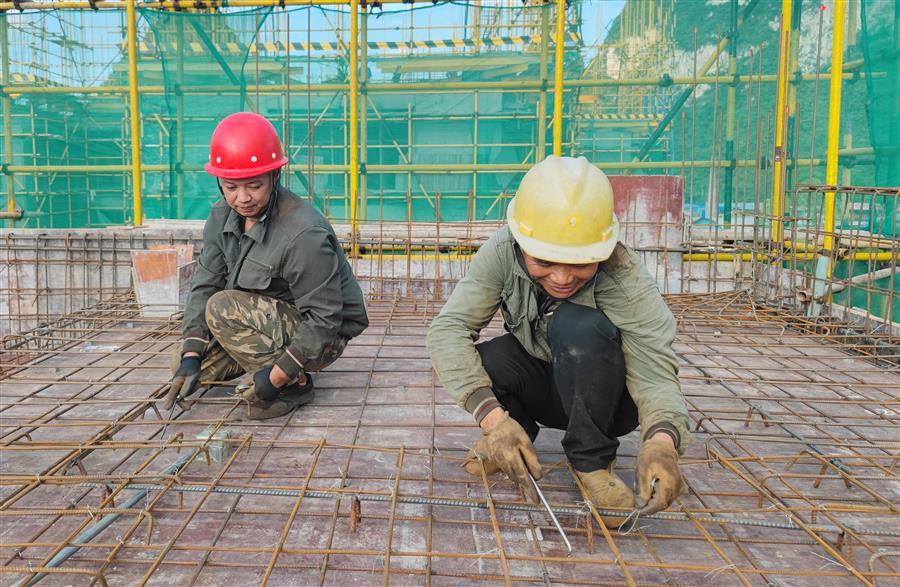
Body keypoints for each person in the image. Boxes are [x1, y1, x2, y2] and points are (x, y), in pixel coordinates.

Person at [427, 156, 688, 526]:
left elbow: (655, 371)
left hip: (607, 398)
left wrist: (663, 442)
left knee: (578, 325)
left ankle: (592, 463)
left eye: (580, 263)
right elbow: (449, 329)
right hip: (549, 384)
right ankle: (512, 437)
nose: (563, 277)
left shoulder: (624, 278)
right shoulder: (502, 252)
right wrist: (492, 419)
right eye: (546, 261)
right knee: (488, 360)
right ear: (521, 242)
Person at [163, 112, 369, 420]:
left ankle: (295, 384)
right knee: (189, 364)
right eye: (231, 187)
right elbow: (205, 283)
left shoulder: (302, 233)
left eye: (254, 186)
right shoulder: (221, 216)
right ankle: (274, 369)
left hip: (323, 335)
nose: (242, 198)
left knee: (223, 307)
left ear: (274, 177)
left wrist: (274, 379)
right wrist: (191, 354)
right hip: (263, 319)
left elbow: (325, 320)